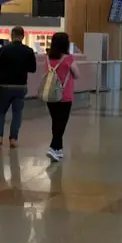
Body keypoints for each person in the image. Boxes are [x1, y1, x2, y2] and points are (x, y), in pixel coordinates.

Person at [0, 26, 37, 148]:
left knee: (1, 112)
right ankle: (13, 139)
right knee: (17, 113)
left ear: (11, 35)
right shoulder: (28, 51)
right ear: (23, 36)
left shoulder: (5, 49)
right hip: (20, 86)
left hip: (5, 85)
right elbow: (33, 69)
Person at [45, 32, 79, 161]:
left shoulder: (48, 58)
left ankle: (59, 149)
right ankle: (53, 147)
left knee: (56, 122)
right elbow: (77, 74)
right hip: (65, 96)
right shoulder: (68, 58)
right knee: (61, 124)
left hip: (50, 94)